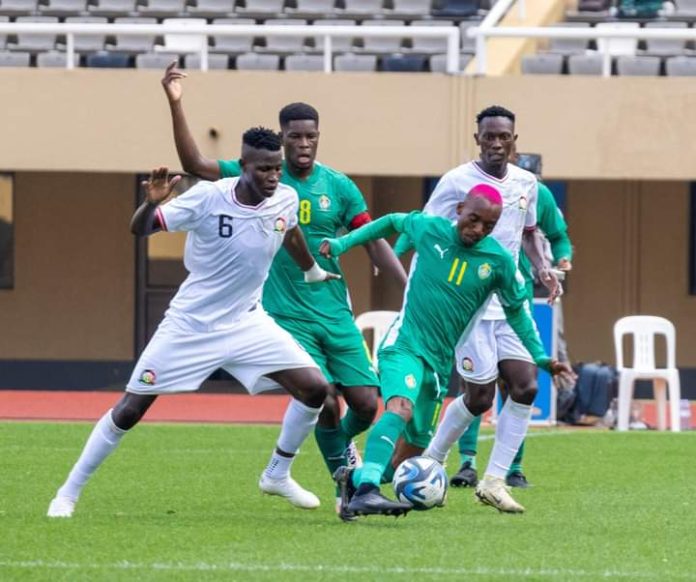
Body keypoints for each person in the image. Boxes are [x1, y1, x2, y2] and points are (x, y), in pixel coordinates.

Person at [47, 128, 338, 518]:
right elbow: (141, 228)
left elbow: (290, 232)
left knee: (316, 389)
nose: (274, 176)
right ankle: (68, 492)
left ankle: (277, 474)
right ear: (244, 166)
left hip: (248, 322)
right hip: (189, 326)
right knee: (131, 410)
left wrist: (313, 271)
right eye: (265, 169)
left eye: (278, 169)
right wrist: (149, 204)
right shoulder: (207, 197)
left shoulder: (284, 198)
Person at [160, 63, 408, 511]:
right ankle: (346, 481)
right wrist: (176, 102)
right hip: (284, 312)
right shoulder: (260, 172)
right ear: (282, 136)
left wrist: (408, 292)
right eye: (295, 135)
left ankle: (339, 451)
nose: (304, 143)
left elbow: (374, 241)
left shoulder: (340, 186)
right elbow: (194, 165)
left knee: (366, 405)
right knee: (325, 399)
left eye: (311, 135)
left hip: (333, 309)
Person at [320, 186, 573, 518]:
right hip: (405, 344)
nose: (478, 229)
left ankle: (351, 478)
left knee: (403, 461)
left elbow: (517, 314)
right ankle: (366, 492)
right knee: (400, 407)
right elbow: (391, 222)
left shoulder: (497, 261)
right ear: (458, 209)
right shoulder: (430, 228)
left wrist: (540, 357)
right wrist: (342, 244)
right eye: (473, 219)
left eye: (488, 225)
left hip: (439, 367)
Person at [390, 105, 563, 514]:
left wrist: (544, 267)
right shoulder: (456, 181)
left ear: (514, 140)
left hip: (508, 297)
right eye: (490, 136)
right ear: (478, 139)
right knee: (481, 396)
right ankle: (431, 459)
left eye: (505, 136)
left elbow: (529, 232)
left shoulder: (527, 183)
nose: (497, 143)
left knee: (526, 386)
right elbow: (424, 227)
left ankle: (494, 480)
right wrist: (400, 265)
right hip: (467, 307)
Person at [450, 147, 574, 490]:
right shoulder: (474, 186)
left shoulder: (535, 191)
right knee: (475, 385)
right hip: (476, 295)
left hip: (515, 295)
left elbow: (555, 234)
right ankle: (467, 461)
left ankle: (512, 467)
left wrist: (559, 261)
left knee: (520, 382)